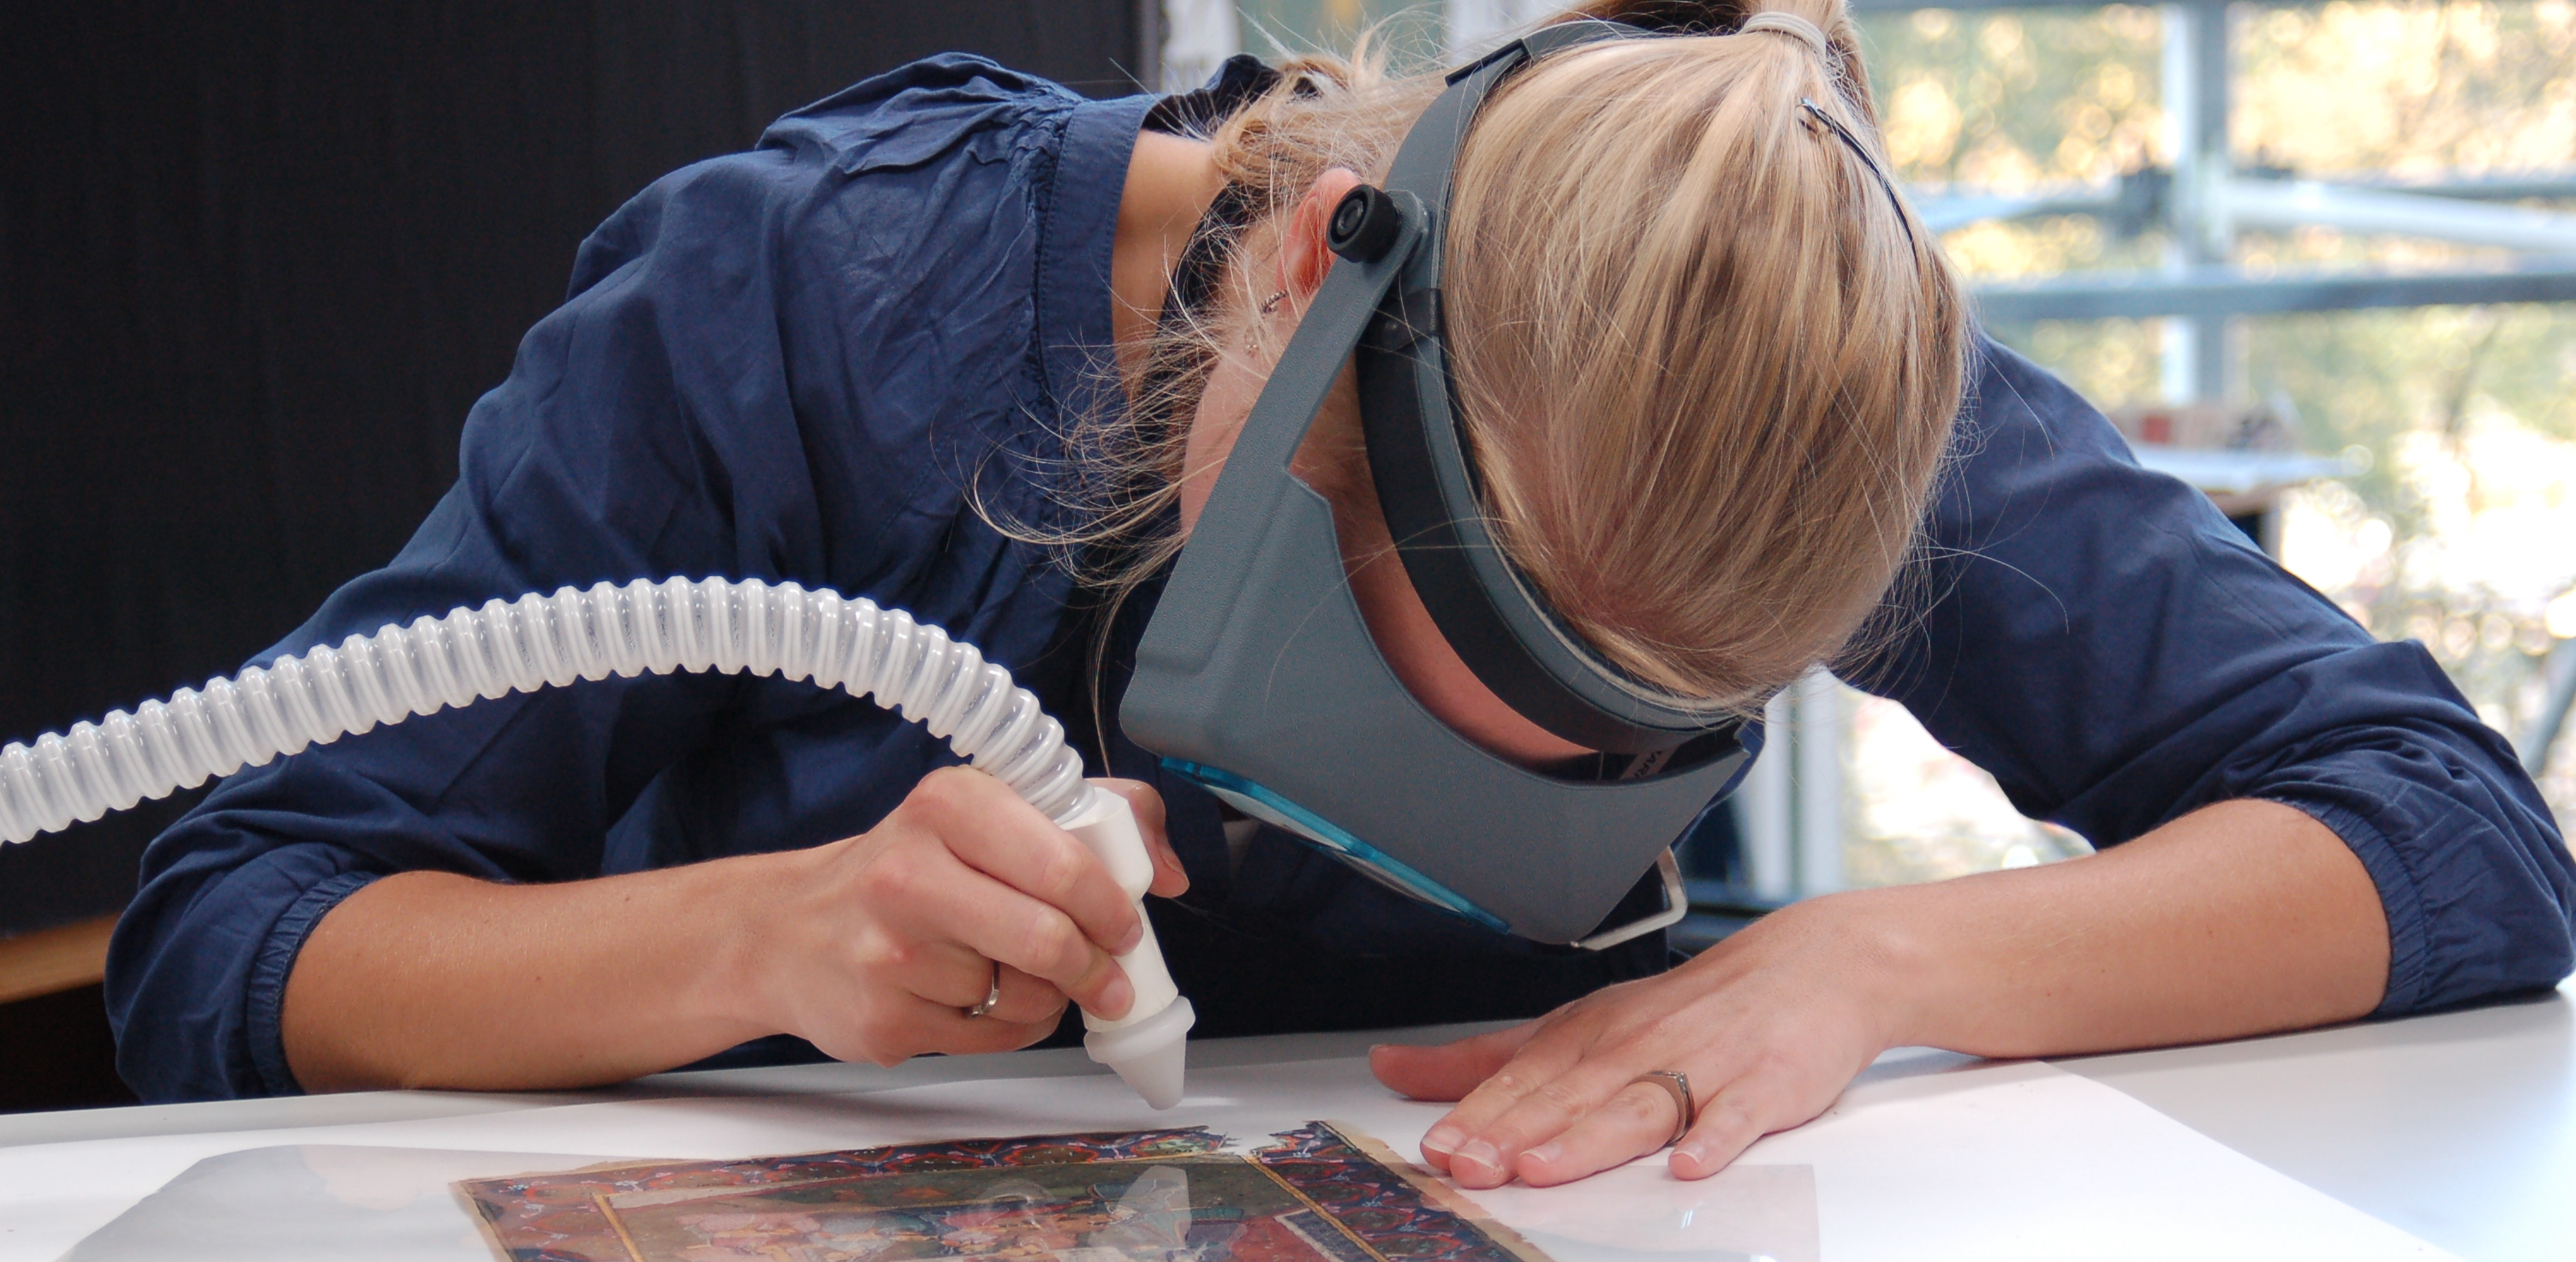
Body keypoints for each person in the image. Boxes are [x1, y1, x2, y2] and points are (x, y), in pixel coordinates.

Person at [107, 1, 2575, 1194]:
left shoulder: (1793, 389)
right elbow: (231, 934)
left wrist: (1881, 961)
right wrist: (762, 941)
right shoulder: (810, 304)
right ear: (1310, 278)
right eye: (1390, 670)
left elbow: (2450, 831)